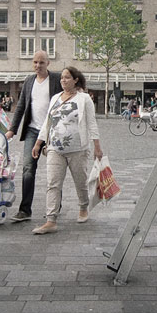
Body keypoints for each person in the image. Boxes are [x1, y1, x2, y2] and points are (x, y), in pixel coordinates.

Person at [31, 66, 104, 234]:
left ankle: (83, 207)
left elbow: (92, 123)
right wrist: (38, 143)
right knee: (53, 184)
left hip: (78, 148)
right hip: (55, 149)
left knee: (80, 181)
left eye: (67, 77)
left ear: (75, 79)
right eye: (62, 78)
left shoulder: (84, 99)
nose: (63, 80)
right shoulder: (55, 98)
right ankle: (51, 220)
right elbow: (47, 123)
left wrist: (97, 147)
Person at [5, 51, 63, 223]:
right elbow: (21, 106)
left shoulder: (56, 79)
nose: (38, 65)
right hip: (32, 130)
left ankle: (55, 208)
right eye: (35, 62)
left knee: (55, 171)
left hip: (53, 131)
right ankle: (25, 210)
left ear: (48, 63)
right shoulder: (29, 81)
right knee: (28, 169)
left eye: (41, 63)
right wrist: (12, 129)